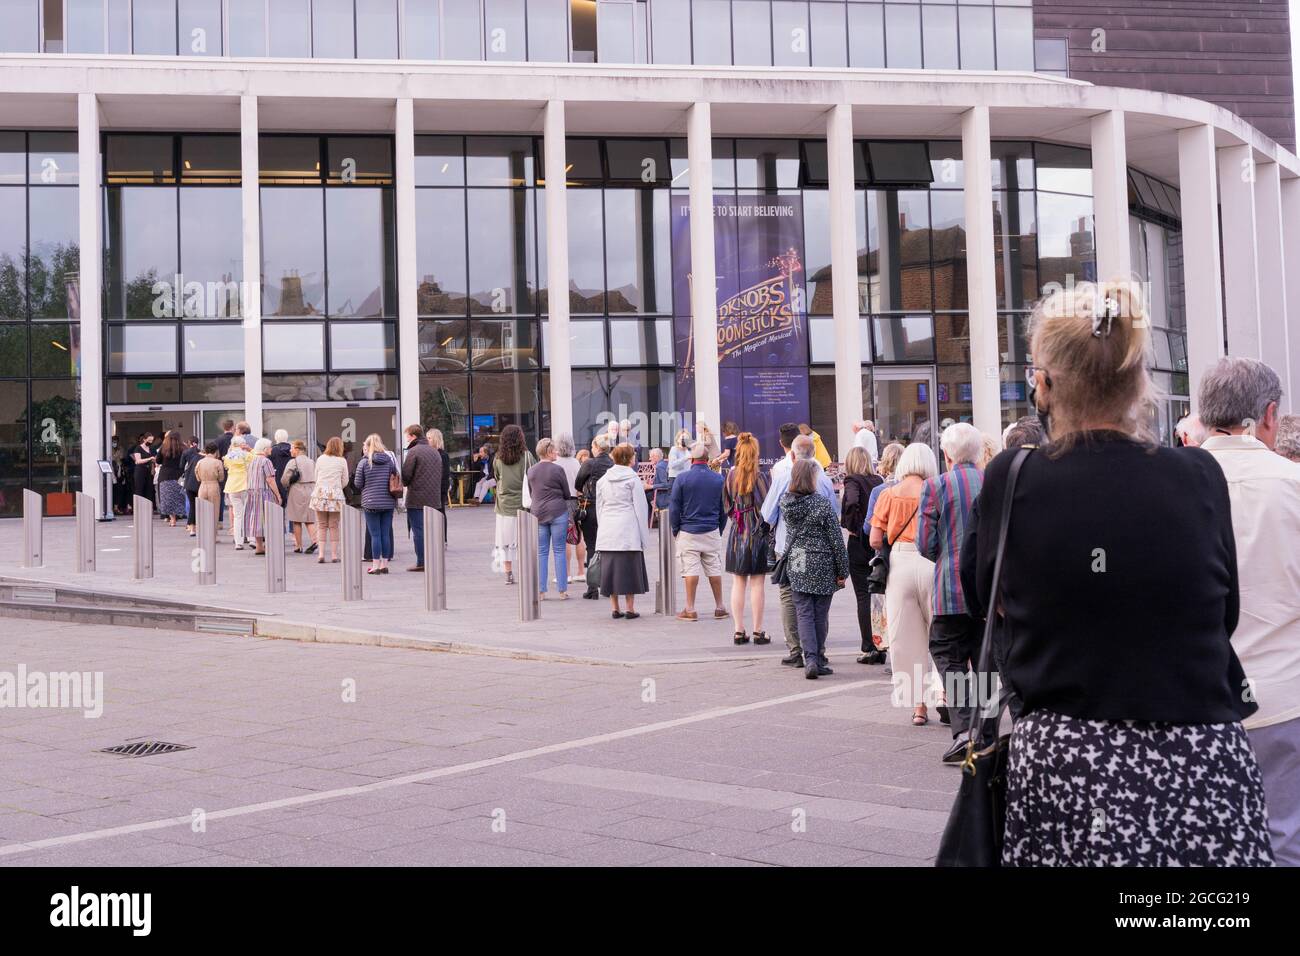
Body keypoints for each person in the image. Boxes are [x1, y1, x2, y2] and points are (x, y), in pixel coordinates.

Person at [973, 281, 1270, 867]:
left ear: (1043, 384)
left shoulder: (1013, 476)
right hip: (1201, 756)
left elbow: (988, 598)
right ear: (1139, 383)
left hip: (1066, 760)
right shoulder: (1199, 473)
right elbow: (1225, 612)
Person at [1198, 356, 1300, 865]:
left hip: (1196, 701)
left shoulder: (1169, 487)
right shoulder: (1292, 484)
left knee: (1207, 845)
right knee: (1285, 839)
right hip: (1283, 694)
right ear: (1269, 414)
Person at [916, 422, 985, 763]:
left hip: (951, 587)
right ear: (980, 453)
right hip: (989, 590)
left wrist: (946, 558)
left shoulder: (936, 486)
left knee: (948, 654)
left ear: (946, 455)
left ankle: (965, 731)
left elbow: (925, 543)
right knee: (985, 660)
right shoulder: (993, 483)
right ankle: (984, 730)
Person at [870, 442, 938, 726]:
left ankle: (919, 706)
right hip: (932, 562)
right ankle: (946, 696)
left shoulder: (889, 494)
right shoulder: (935, 491)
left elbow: (875, 539)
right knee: (942, 633)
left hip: (900, 563)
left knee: (906, 638)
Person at [762, 426, 840, 668]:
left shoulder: (783, 478)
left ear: (793, 454)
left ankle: (796, 649)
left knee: (791, 597)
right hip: (821, 550)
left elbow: (768, 514)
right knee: (818, 603)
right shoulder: (824, 480)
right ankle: (817, 652)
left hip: (792, 549)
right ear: (814, 453)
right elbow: (833, 516)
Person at [783, 459, 849, 680]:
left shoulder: (787, 503)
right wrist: (843, 570)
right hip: (822, 558)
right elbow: (836, 539)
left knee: (803, 612)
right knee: (820, 612)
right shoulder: (821, 503)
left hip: (798, 557)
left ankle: (809, 658)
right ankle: (818, 658)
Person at [669, 441, 728, 623]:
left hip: (688, 530)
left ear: (692, 459)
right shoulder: (718, 479)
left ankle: (690, 608)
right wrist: (719, 528)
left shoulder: (682, 478)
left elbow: (674, 508)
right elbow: (724, 508)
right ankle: (720, 607)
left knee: (690, 568)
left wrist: (676, 529)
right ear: (707, 458)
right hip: (711, 528)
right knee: (714, 567)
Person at [722, 432, 771, 644]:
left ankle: (738, 630)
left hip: (738, 531)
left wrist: (737, 516)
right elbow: (766, 507)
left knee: (738, 581)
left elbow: (726, 505)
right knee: (757, 583)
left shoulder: (730, 476)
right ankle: (758, 631)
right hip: (756, 532)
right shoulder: (760, 477)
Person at [595, 443, 652, 619]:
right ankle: (630, 608)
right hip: (628, 528)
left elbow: (599, 507)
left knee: (610, 570)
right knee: (629, 569)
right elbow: (640, 508)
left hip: (608, 528)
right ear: (629, 458)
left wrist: (602, 527)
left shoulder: (603, 480)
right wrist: (644, 537)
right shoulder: (633, 479)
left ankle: (615, 607)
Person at [861, 441, 905, 665]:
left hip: (884, 556)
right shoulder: (918, 487)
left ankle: (883, 648)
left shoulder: (879, 491)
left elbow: (868, 528)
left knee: (882, 603)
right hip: (909, 552)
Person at [840, 446, 883, 663]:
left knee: (863, 595)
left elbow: (851, 501)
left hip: (858, 542)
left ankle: (869, 646)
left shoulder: (852, 481)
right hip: (878, 539)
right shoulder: (878, 480)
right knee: (878, 596)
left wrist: (851, 525)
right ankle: (881, 644)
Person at [525, 438, 573, 599]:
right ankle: (562, 590)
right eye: (555, 450)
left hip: (538, 513)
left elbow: (532, 493)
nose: (557, 452)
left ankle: (541, 591)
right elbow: (566, 493)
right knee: (559, 550)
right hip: (558, 511)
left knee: (542, 552)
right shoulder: (558, 470)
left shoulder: (531, 471)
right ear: (549, 452)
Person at [492, 424, 534, 585]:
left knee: (504, 540)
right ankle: (525, 572)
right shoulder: (527, 456)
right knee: (523, 540)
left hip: (503, 504)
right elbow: (533, 474)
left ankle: (508, 573)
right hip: (523, 503)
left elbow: (497, 477)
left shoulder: (498, 458)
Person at [351, 434, 399, 574]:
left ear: (368, 446)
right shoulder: (389, 461)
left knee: (375, 535)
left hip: (370, 502)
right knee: (385, 534)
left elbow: (358, 483)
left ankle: (375, 565)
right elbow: (395, 476)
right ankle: (385, 564)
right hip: (388, 502)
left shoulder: (364, 462)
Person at [575, 435, 614, 599]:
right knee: (609, 547)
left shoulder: (589, 463)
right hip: (609, 509)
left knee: (592, 546)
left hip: (591, 508)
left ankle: (592, 588)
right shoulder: (613, 464)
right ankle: (608, 586)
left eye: (592, 447)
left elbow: (578, 484)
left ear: (597, 447)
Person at [400, 423, 443, 572]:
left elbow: (406, 476)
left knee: (418, 531)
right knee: (431, 531)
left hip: (417, 498)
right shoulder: (435, 452)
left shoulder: (413, 452)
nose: (407, 440)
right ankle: (433, 560)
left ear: (413, 436)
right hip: (434, 499)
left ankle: (422, 562)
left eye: (407, 437)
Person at [310, 437, 349, 564]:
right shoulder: (342, 460)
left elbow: (316, 477)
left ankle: (321, 554)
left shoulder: (320, 459)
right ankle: (333, 555)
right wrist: (337, 487)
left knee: (321, 525)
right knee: (334, 526)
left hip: (320, 494)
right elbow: (345, 480)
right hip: (335, 495)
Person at [554, 433, 584, 582]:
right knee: (579, 537)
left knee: (564, 538)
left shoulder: (555, 463)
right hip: (576, 501)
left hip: (561, 501)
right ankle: (581, 571)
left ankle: (566, 573)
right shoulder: (576, 463)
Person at [244, 438, 281, 556]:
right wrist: (278, 495)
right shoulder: (266, 461)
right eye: (270, 447)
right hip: (264, 493)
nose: (271, 449)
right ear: (265, 449)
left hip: (252, 493)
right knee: (269, 519)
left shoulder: (252, 461)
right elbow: (270, 480)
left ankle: (259, 546)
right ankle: (270, 545)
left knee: (256, 520)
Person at [282, 439, 317, 554]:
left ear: (297, 449)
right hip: (311, 489)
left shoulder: (293, 462)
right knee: (309, 518)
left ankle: (298, 546)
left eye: (292, 448)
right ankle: (315, 540)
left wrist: (286, 485)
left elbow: (285, 479)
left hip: (297, 489)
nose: (290, 451)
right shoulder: (311, 461)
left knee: (296, 519)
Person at [222, 435, 252, 550]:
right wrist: (250, 449)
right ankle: (251, 539)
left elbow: (226, 466)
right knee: (248, 513)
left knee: (237, 515)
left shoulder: (227, 456)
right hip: (245, 485)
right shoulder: (246, 455)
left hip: (232, 487)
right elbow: (255, 458)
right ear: (242, 444)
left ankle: (238, 542)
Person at [155, 431, 186, 527]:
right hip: (179, 476)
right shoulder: (183, 448)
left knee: (167, 498)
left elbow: (158, 461)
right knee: (180, 497)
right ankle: (180, 515)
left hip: (165, 476)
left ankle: (172, 519)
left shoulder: (163, 448)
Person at [426, 428, 452, 543]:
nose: (427, 440)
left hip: (439, 488)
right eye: (427, 438)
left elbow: (444, 474)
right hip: (430, 488)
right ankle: (433, 538)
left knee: (440, 512)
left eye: (429, 438)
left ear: (435, 439)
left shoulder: (443, 455)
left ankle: (443, 539)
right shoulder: (429, 453)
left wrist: (440, 488)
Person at [194, 442, 225, 522]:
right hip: (214, 486)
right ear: (216, 451)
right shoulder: (218, 462)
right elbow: (221, 478)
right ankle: (213, 529)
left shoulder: (200, 462)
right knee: (214, 512)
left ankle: (202, 529)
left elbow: (197, 476)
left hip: (202, 486)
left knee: (202, 512)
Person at [180, 437, 202, 535]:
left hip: (189, 480)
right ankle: (197, 525)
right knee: (199, 504)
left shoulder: (186, 452)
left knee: (190, 503)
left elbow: (181, 466)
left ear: (190, 443)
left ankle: (190, 526)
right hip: (199, 481)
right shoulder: (201, 453)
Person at [131, 433, 157, 509]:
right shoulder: (138, 448)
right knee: (139, 489)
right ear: (144, 439)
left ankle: (148, 508)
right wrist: (149, 459)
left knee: (149, 489)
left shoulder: (152, 449)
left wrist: (154, 465)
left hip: (149, 471)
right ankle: (138, 508)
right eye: (149, 440)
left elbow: (155, 459)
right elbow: (138, 461)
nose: (150, 442)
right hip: (140, 471)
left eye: (152, 440)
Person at [270, 429, 293, 501]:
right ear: (287, 437)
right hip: (291, 481)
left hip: (276, 482)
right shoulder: (292, 450)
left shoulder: (272, 450)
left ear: (275, 437)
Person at [649, 447, 670, 513]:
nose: (649, 459)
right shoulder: (664, 464)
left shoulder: (659, 466)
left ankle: (655, 511)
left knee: (645, 493)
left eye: (651, 457)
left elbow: (666, 484)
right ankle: (655, 511)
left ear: (656, 457)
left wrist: (651, 486)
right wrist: (653, 482)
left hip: (663, 497)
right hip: (664, 495)